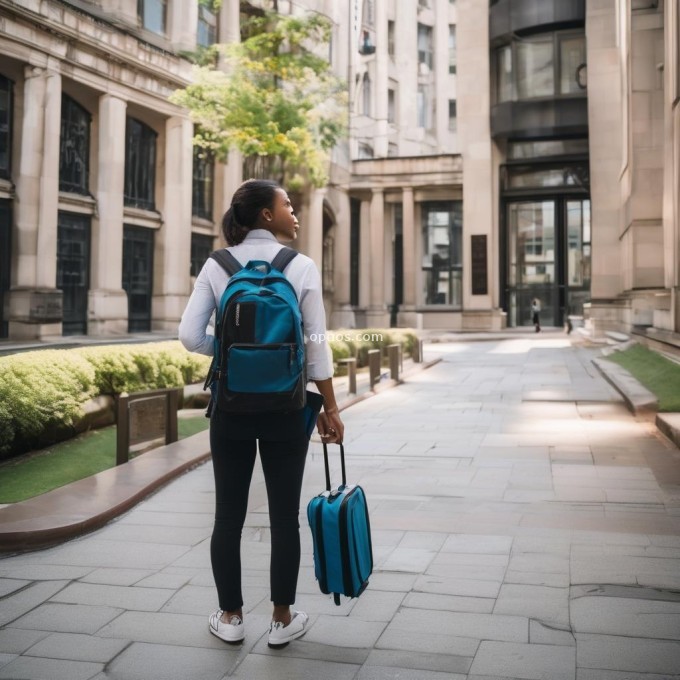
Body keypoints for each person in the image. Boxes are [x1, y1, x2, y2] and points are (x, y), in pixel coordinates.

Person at [178, 179, 344, 649]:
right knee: (283, 517)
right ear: (266, 216)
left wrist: (228, 355)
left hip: (230, 406)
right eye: (287, 205)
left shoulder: (218, 264)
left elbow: (190, 337)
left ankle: (230, 617)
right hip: (287, 408)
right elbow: (315, 345)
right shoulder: (301, 266)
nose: (294, 212)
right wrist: (329, 407)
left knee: (227, 514)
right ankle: (282, 618)